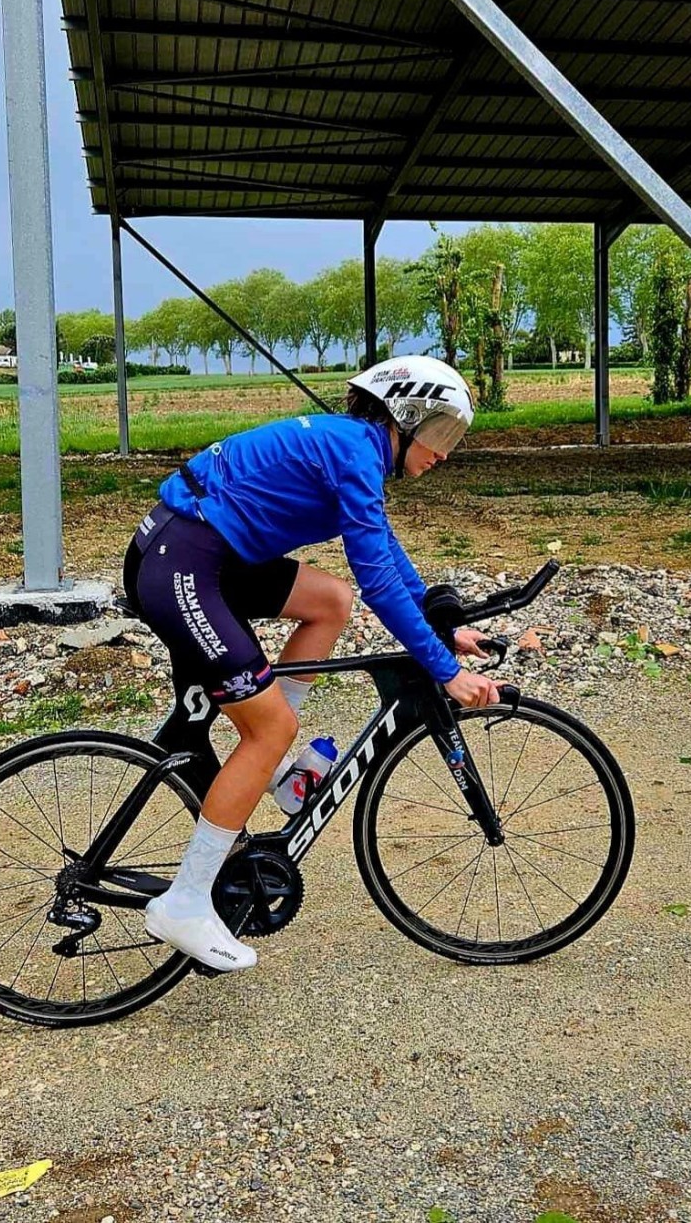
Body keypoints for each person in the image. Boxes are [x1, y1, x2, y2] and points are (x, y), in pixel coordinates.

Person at [122, 355, 501, 973]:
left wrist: (443, 626)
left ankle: (275, 770)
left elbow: (384, 553)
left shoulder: (356, 449)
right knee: (270, 726)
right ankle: (184, 902)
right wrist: (445, 671)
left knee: (330, 601)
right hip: (184, 562)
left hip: (204, 554)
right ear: (405, 416)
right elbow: (381, 582)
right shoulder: (355, 452)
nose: (444, 452)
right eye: (440, 433)